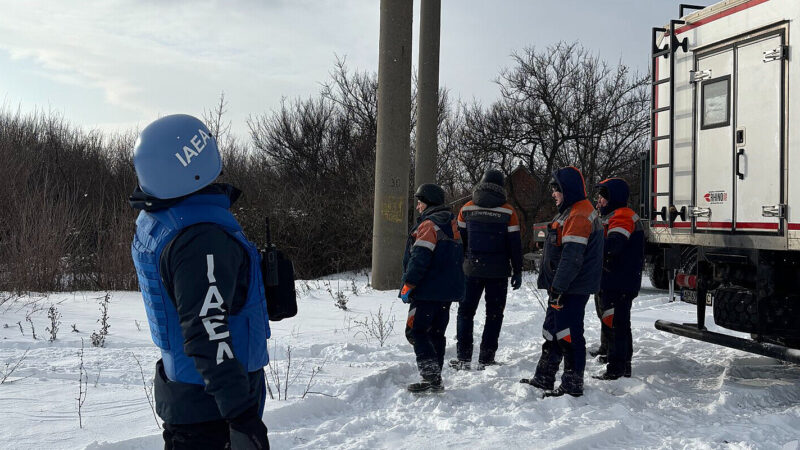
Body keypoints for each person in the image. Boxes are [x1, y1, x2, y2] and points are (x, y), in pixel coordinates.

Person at [130, 114, 270, 449]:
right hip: (213, 403)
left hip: (193, 390)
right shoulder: (200, 238)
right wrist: (242, 416)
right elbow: (207, 328)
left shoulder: (163, 219)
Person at [520, 166, 603, 397]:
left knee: (568, 333)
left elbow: (572, 258)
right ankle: (545, 376)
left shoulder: (578, 215)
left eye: (556, 189)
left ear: (567, 190)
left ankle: (572, 384)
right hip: (563, 287)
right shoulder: (570, 211)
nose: (553, 194)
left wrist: (559, 287)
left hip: (570, 288)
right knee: (552, 330)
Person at [449, 169, 523, 371]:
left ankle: (463, 358)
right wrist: (517, 270)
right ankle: (486, 358)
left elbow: (459, 242)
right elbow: (514, 245)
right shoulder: (509, 211)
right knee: (494, 314)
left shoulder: (466, 209)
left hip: (470, 270)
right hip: (498, 273)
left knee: (465, 313)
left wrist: (460, 265)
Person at [400, 183, 465, 393]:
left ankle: (430, 375)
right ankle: (435, 374)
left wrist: (408, 284)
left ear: (427, 202)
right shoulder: (452, 223)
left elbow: (419, 259)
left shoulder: (428, 225)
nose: (418, 207)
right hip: (447, 292)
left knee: (416, 331)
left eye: (420, 202)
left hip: (427, 291)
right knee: (437, 332)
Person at [591, 178, 644, 380]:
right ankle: (619, 363)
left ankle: (618, 368)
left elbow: (613, 246)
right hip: (614, 279)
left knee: (617, 325)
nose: (599, 201)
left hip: (620, 280)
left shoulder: (622, 216)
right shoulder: (612, 215)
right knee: (616, 323)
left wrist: (591, 243)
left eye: (603, 197)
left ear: (613, 197)